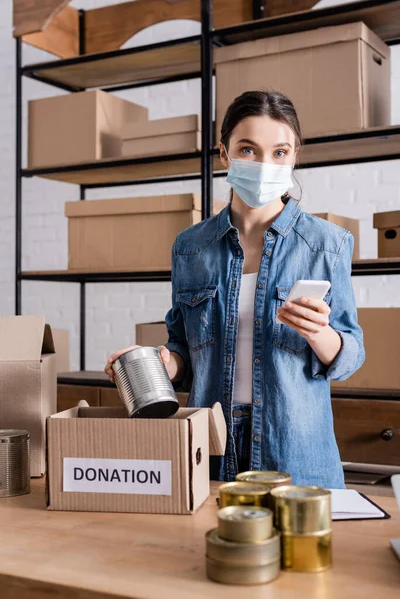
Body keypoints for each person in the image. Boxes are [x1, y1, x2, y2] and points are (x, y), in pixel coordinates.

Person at [105, 90, 365, 489]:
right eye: (248, 149)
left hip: (294, 447)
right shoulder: (191, 247)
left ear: (294, 155)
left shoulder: (327, 243)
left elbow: (351, 354)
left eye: (279, 152)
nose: (264, 165)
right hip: (209, 443)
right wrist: (157, 363)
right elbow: (182, 351)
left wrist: (320, 333)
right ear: (224, 153)